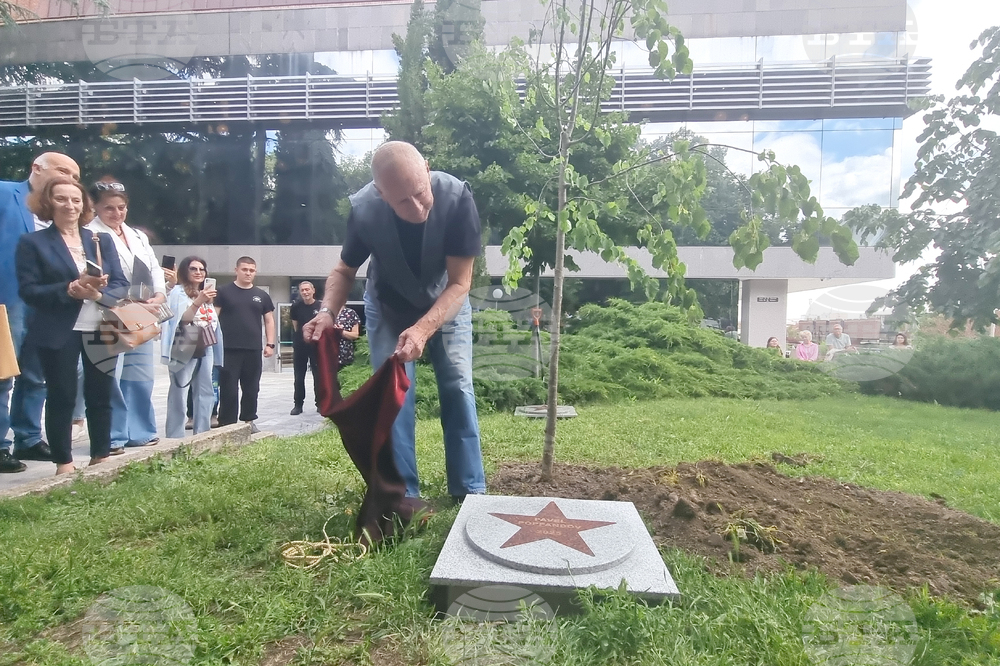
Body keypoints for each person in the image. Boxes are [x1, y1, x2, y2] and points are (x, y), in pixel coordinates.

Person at [303, 140, 486, 502]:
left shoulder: (457, 198)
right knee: (394, 393)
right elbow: (344, 270)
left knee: (458, 386)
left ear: (428, 169)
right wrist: (326, 313)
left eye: (421, 192)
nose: (418, 207)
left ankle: (469, 490)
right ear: (381, 194)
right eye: (403, 201)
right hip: (388, 305)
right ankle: (403, 494)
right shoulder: (363, 209)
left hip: (446, 301)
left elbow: (461, 283)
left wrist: (422, 328)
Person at [15, 177, 128, 474]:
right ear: (48, 203)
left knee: (101, 393)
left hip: (100, 325)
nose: (70, 205)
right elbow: (28, 290)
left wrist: (98, 294)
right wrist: (69, 289)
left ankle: (100, 456)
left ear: (84, 204)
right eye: (62, 199)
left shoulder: (99, 239)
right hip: (57, 327)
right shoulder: (32, 243)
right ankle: (63, 462)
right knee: (61, 395)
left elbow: (120, 283)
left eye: (76, 200)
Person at [0, 152, 78, 472]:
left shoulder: (65, 210)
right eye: (63, 171)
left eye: (75, 177)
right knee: (4, 372)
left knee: (37, 375)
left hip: (49, 302)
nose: (70, 180)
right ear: (36, 168)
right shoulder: (6, 193)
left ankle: (28, 438)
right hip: (10, 298)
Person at [87, 180, 166, 451]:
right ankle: (113, 436)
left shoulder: (137, 235)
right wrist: (132, 302)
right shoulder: (90, 233)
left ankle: (141, 431)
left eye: (121, 208)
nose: (116, 213)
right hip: (110, 311)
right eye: (109, 208)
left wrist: (160, 295)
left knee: (140, 375)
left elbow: (154, 267)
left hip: (144, 309)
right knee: (113, 377)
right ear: (95, 207)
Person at [161, 256, 223, 438]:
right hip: (184, 342)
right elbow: (181, 320)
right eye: (193, 269)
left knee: (206, 389)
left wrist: (203, 299)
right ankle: (175, 435)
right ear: (184, 272)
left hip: (206, 343)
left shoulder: (206, 295)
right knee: (180, 389)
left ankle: (202, 432)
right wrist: (198, 302)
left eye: (201, 269)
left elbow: (212, 321)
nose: (198, 272)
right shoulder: (178, 292)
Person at [214, 257, 275, 432]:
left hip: (253, 349)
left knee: (251, 388)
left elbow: (269, 320)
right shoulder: (223, 292)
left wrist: (270, 344)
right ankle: (227, 424)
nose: (248, 273)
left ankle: (248, 421)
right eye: (245, 269)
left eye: (252, 270)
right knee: (229, 389)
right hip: (228, 349)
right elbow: (214, 318)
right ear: (236, 270)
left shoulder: (261, 295)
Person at [289, 281, 321, 416]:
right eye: (302, 290)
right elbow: (296, 326)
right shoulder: (296, 307)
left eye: (307, 290)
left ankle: (320, 404)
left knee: (318, 375)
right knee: (299, 376)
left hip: (316, 345)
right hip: (300, 345)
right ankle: (298, 404)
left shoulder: (320, 306)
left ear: (313, 290)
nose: (305, 292)